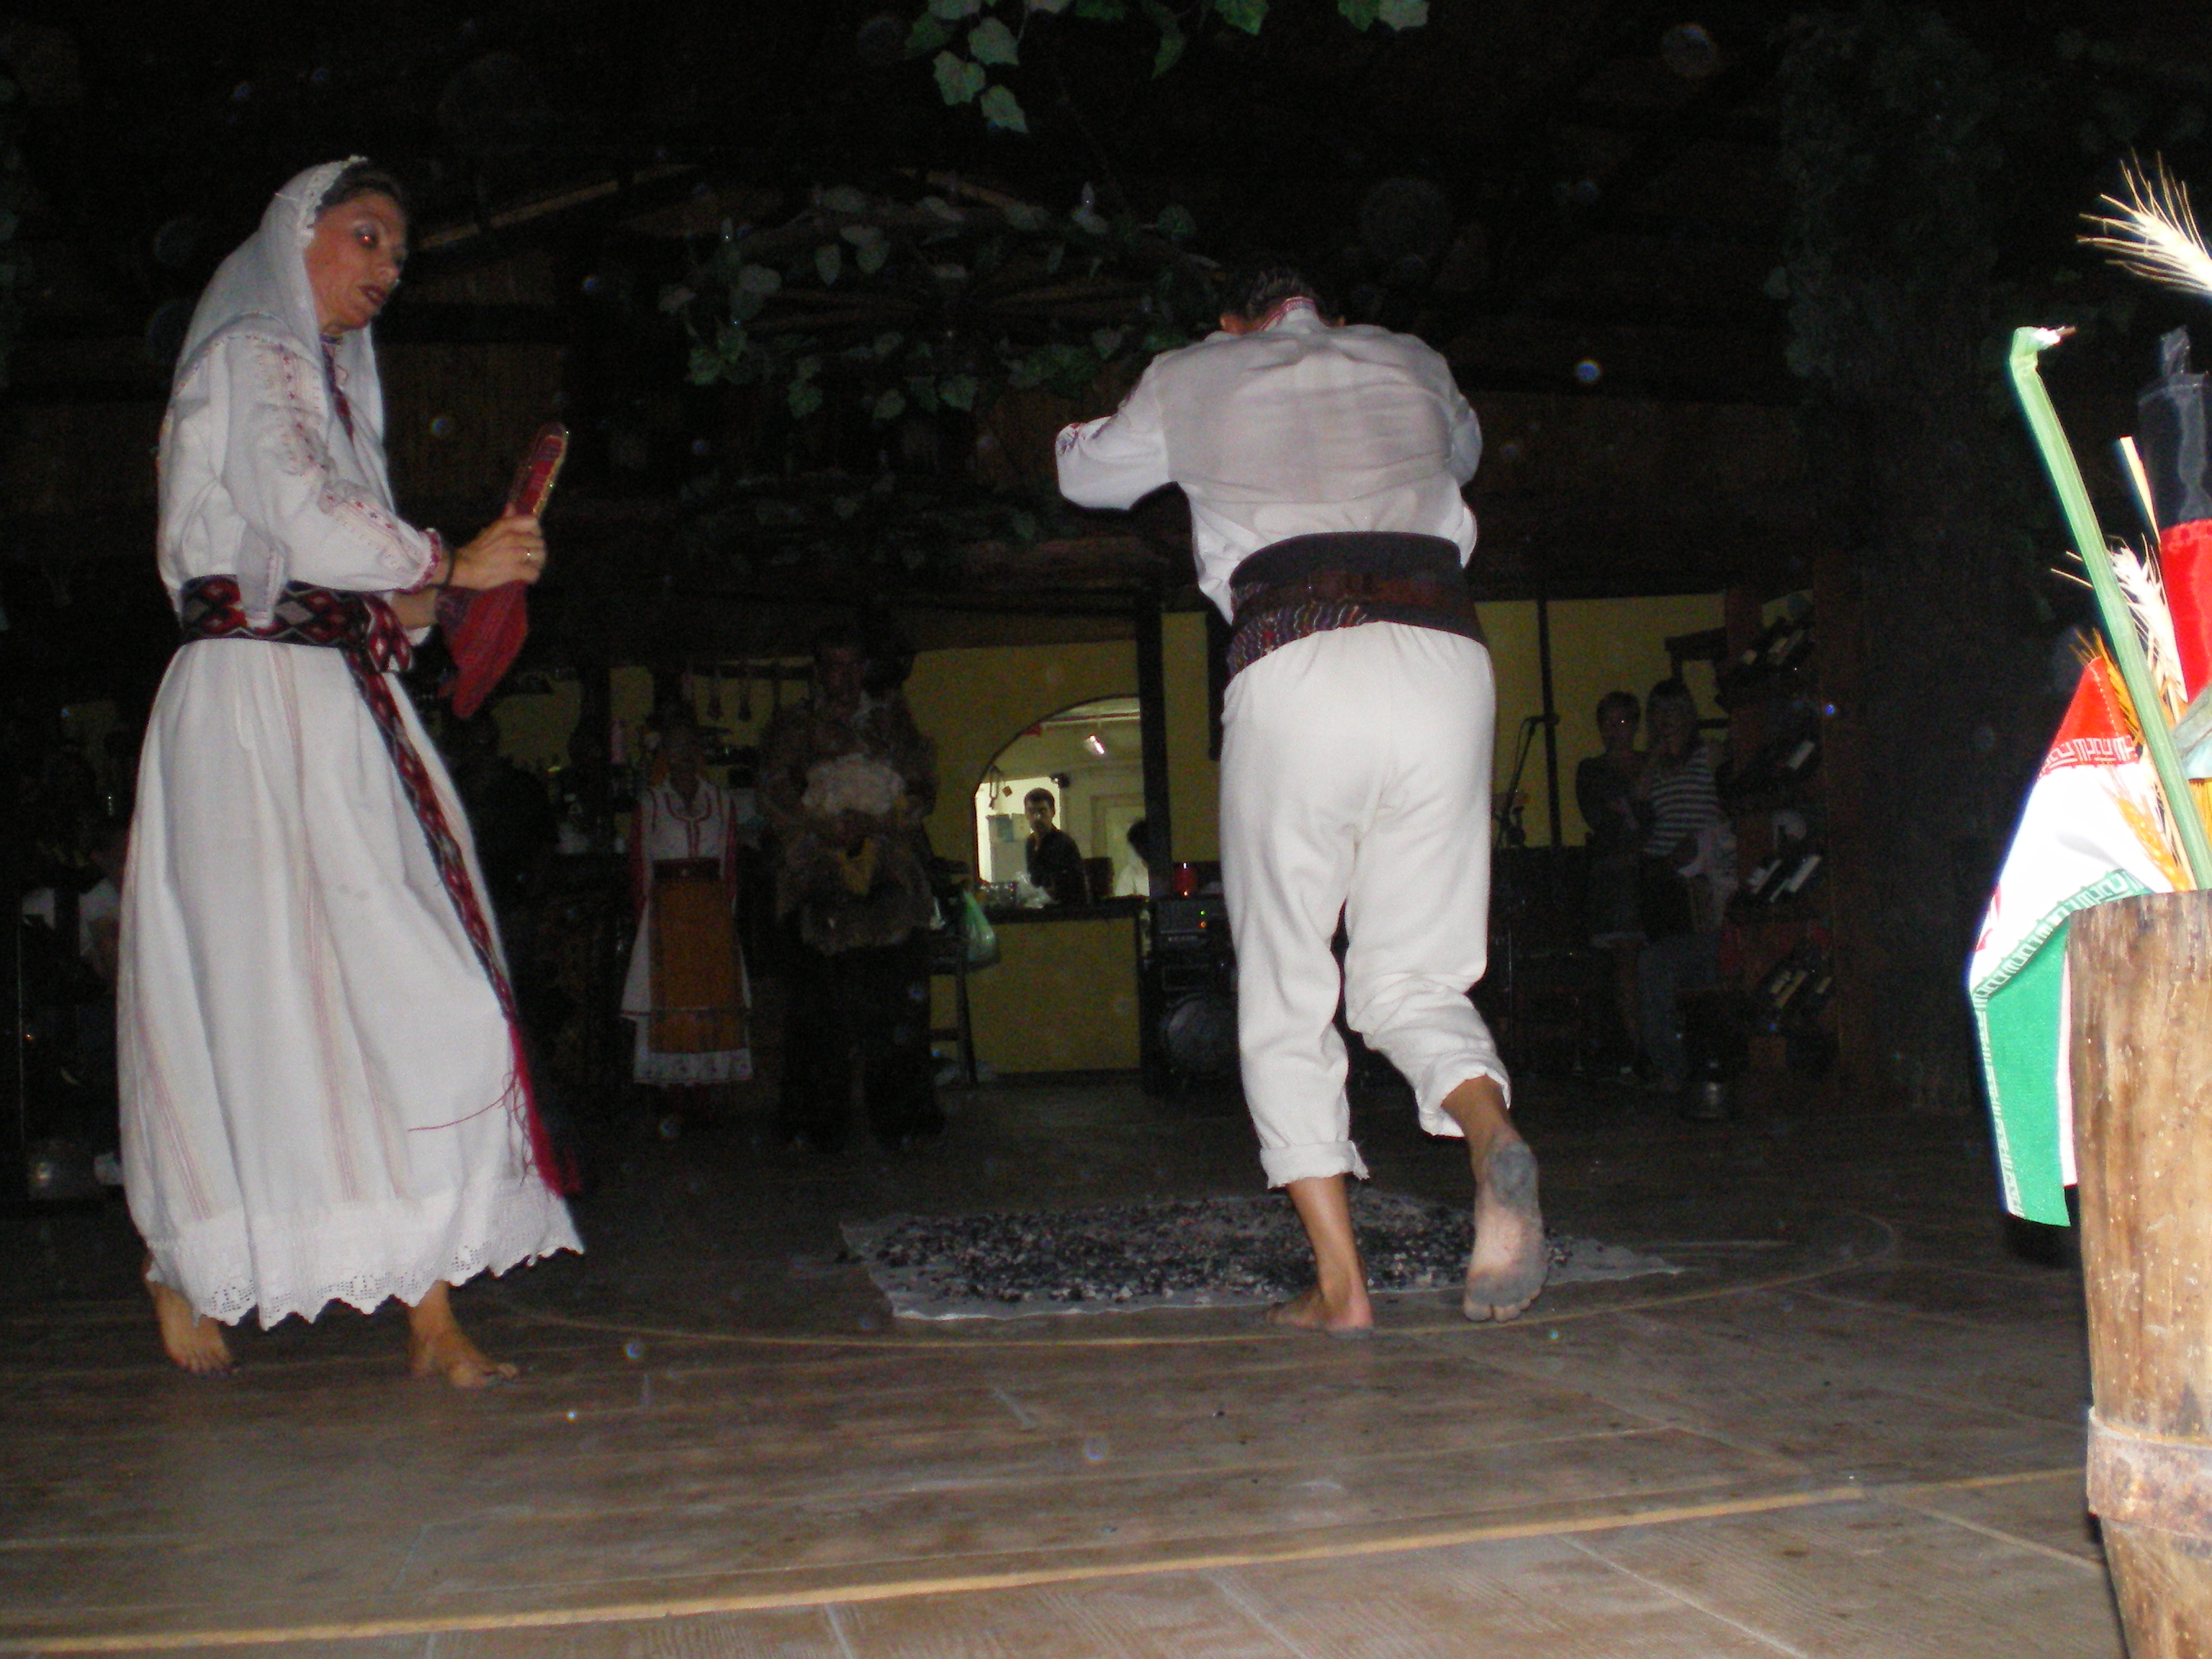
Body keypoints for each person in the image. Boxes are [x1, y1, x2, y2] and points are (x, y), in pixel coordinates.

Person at [119, 159, 580, 1385]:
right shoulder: (249, 357)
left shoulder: (325, 391)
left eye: (398, 253)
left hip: (338, 706)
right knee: (259, 999)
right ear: (297, 234)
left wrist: (462, 590)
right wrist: (452, 561)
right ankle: (191, 1261)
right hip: (245, 706)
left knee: (414, 986)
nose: (386, 268)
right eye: (366, 237)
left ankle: (429, 1304)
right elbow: (306, 520)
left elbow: (364, 587)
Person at [1056, 267, 1545, 1332]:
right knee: (1411, 975)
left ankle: (1341, 1288)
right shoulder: (1411, 357)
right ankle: (1490, 1134)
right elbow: (1460, 453)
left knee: (1286, 986)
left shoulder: (1197, 369)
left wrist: (1098, 419)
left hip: (1298, 651)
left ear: (1232, 322)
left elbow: (1085, 476)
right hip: (1444, 654)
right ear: (1329, 310)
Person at [759, 624, 943, 1152]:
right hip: (819, 890)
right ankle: (816, 1123)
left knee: (896, 1011)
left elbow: (923, 790)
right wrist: (822, 828)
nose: (844, 677)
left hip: (889, 889)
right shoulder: (793, 726)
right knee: (817, 1014)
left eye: (853, 665)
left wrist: (877, 822)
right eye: (834, 666)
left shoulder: (893, 723)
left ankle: (902, 1118)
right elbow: (772, 794)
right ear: (819, 671)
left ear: (864, 669)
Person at [621, 719, 754, 1110]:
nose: (683, 755)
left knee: (712, 992)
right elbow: (640, 864)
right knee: (670, 995)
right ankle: (673, 1093)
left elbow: (729, 863)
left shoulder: (721, 802)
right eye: (674, 747)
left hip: (711, 911)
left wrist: (726, 916)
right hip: (668, 913)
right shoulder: (650, 803)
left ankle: (707, 1092)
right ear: (664, 752)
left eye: (690, 746)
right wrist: (647, 921)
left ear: (700, 752)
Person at [1631, 678, 1733, 1097]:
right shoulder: (1654, 765)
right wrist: (1655, 756)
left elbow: (1728, 806)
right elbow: (1638, 804)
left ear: (1689, 715)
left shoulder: (1708, 753)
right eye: (1658, 713)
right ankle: (1671, 1067)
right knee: (1656, 969)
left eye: (1673, 711)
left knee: (1701, 972)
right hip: (1664, 880)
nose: (1665, 720)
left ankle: (1707, 1065)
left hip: (1705, 876)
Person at [1575, 690, 1647, 1071]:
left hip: (1654, 870)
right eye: (1608, 723)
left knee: (1653, 961)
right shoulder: (1593, 770)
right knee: (1625, 961)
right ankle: (1638, 1048)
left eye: (1622, 721)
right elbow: (1601, 817)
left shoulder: (1653, 763)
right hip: (1616, 878)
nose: (1615, 730)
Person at [1022, 788, 1089, 905]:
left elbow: (1075, 887)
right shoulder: (1030, 843)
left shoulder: (1064, 843)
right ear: (1026, 814)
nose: (1037, 817)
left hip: (1065, 910)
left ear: (1052, 812)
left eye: (1043, 811)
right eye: (1032, 811)